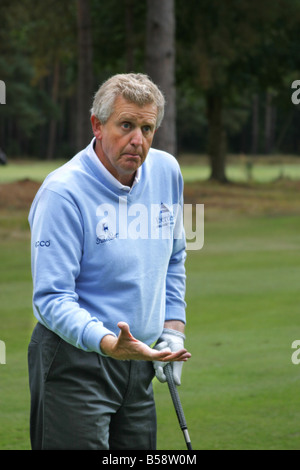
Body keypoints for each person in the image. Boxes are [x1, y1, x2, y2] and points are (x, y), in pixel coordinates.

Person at [28, 73, 191, 450]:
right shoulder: (62, 192)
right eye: (127, 125)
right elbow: (52, 298)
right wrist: (107, 343)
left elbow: (175, 257)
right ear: (97, 126)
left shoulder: (166, 172)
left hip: (140, 360)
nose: (138, 139)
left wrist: (173, 328)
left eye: (147, 128)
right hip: (74, 361)